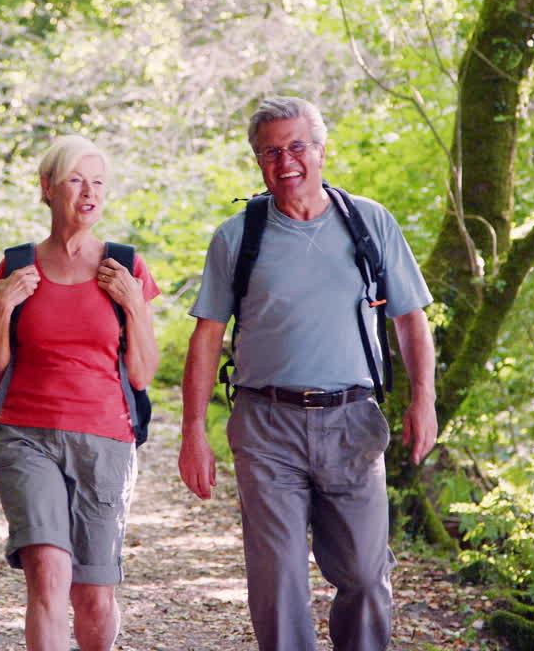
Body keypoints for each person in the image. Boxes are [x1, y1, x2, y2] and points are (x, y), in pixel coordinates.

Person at [177, 96, 437, 651]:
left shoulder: (369, 222)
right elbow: (206, 339)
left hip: (353, 422)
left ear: (321, 151)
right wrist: (192, 433)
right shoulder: (237, 236)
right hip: (265, 425)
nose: (285, 160)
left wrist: (424, 399)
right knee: (278, 582)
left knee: (366, 577)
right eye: (270, 151)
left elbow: (411, 319)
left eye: (297, 146)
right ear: (257, 161)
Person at [0, 134, 160, 651]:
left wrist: (135, 304)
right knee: (49, 574)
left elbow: (142, 374)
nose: (89, 193)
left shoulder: (125, 266)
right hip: (25, 436)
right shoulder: (17, 266)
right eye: (76, 180)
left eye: (98, 182)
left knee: (94, 595)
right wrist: (2, 308)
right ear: (47, 189)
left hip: (105, 438)